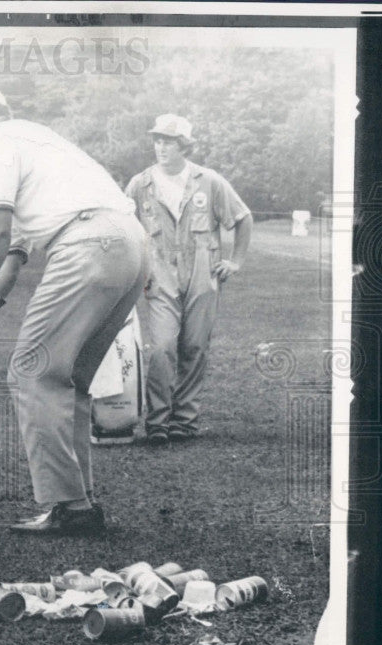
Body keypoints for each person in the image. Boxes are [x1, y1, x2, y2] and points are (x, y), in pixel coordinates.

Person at [0, 77, 149, 536]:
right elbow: (13, 258)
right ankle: (78, 503)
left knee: (31, 371)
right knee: (69, 381)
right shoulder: (36, 140)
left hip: (90, 244)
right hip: (131, 246)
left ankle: (70, 506)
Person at [125, 114, 252, 445]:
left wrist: (235, 261)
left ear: (185, 145)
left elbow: (242, 217)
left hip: (202, 273)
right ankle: (157, 422)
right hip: (159, 275)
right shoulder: (140, 184)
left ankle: (184, 421)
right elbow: (127, 230)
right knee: (162, 348)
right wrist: (134, 271)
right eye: (157, 140)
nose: (161, 146)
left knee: (195, 347)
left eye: (168, 141)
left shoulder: (208, 181)